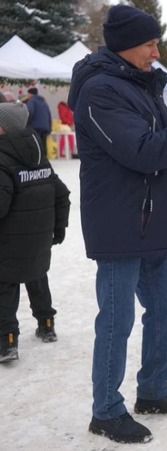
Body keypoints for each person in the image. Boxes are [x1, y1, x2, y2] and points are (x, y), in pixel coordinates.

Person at [68, 4, 167, 444]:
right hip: (120, 224)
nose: (157, 53)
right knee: (117, 320)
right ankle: (105, 410)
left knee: (163, 309)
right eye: (151, 44)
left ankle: (154, 389)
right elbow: (144, 151)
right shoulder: (100, 91)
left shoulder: (140, 86)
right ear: (125, 45)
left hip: (152, 220)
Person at [0, 101, 70, 363]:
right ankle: (47, 324)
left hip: (6, 243)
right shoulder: (40, 156)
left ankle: (7, 341)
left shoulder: (2, 160)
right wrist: (58, 227)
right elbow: (61, 194)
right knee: (37, 278)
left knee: (4, 288)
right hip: (39, 239)